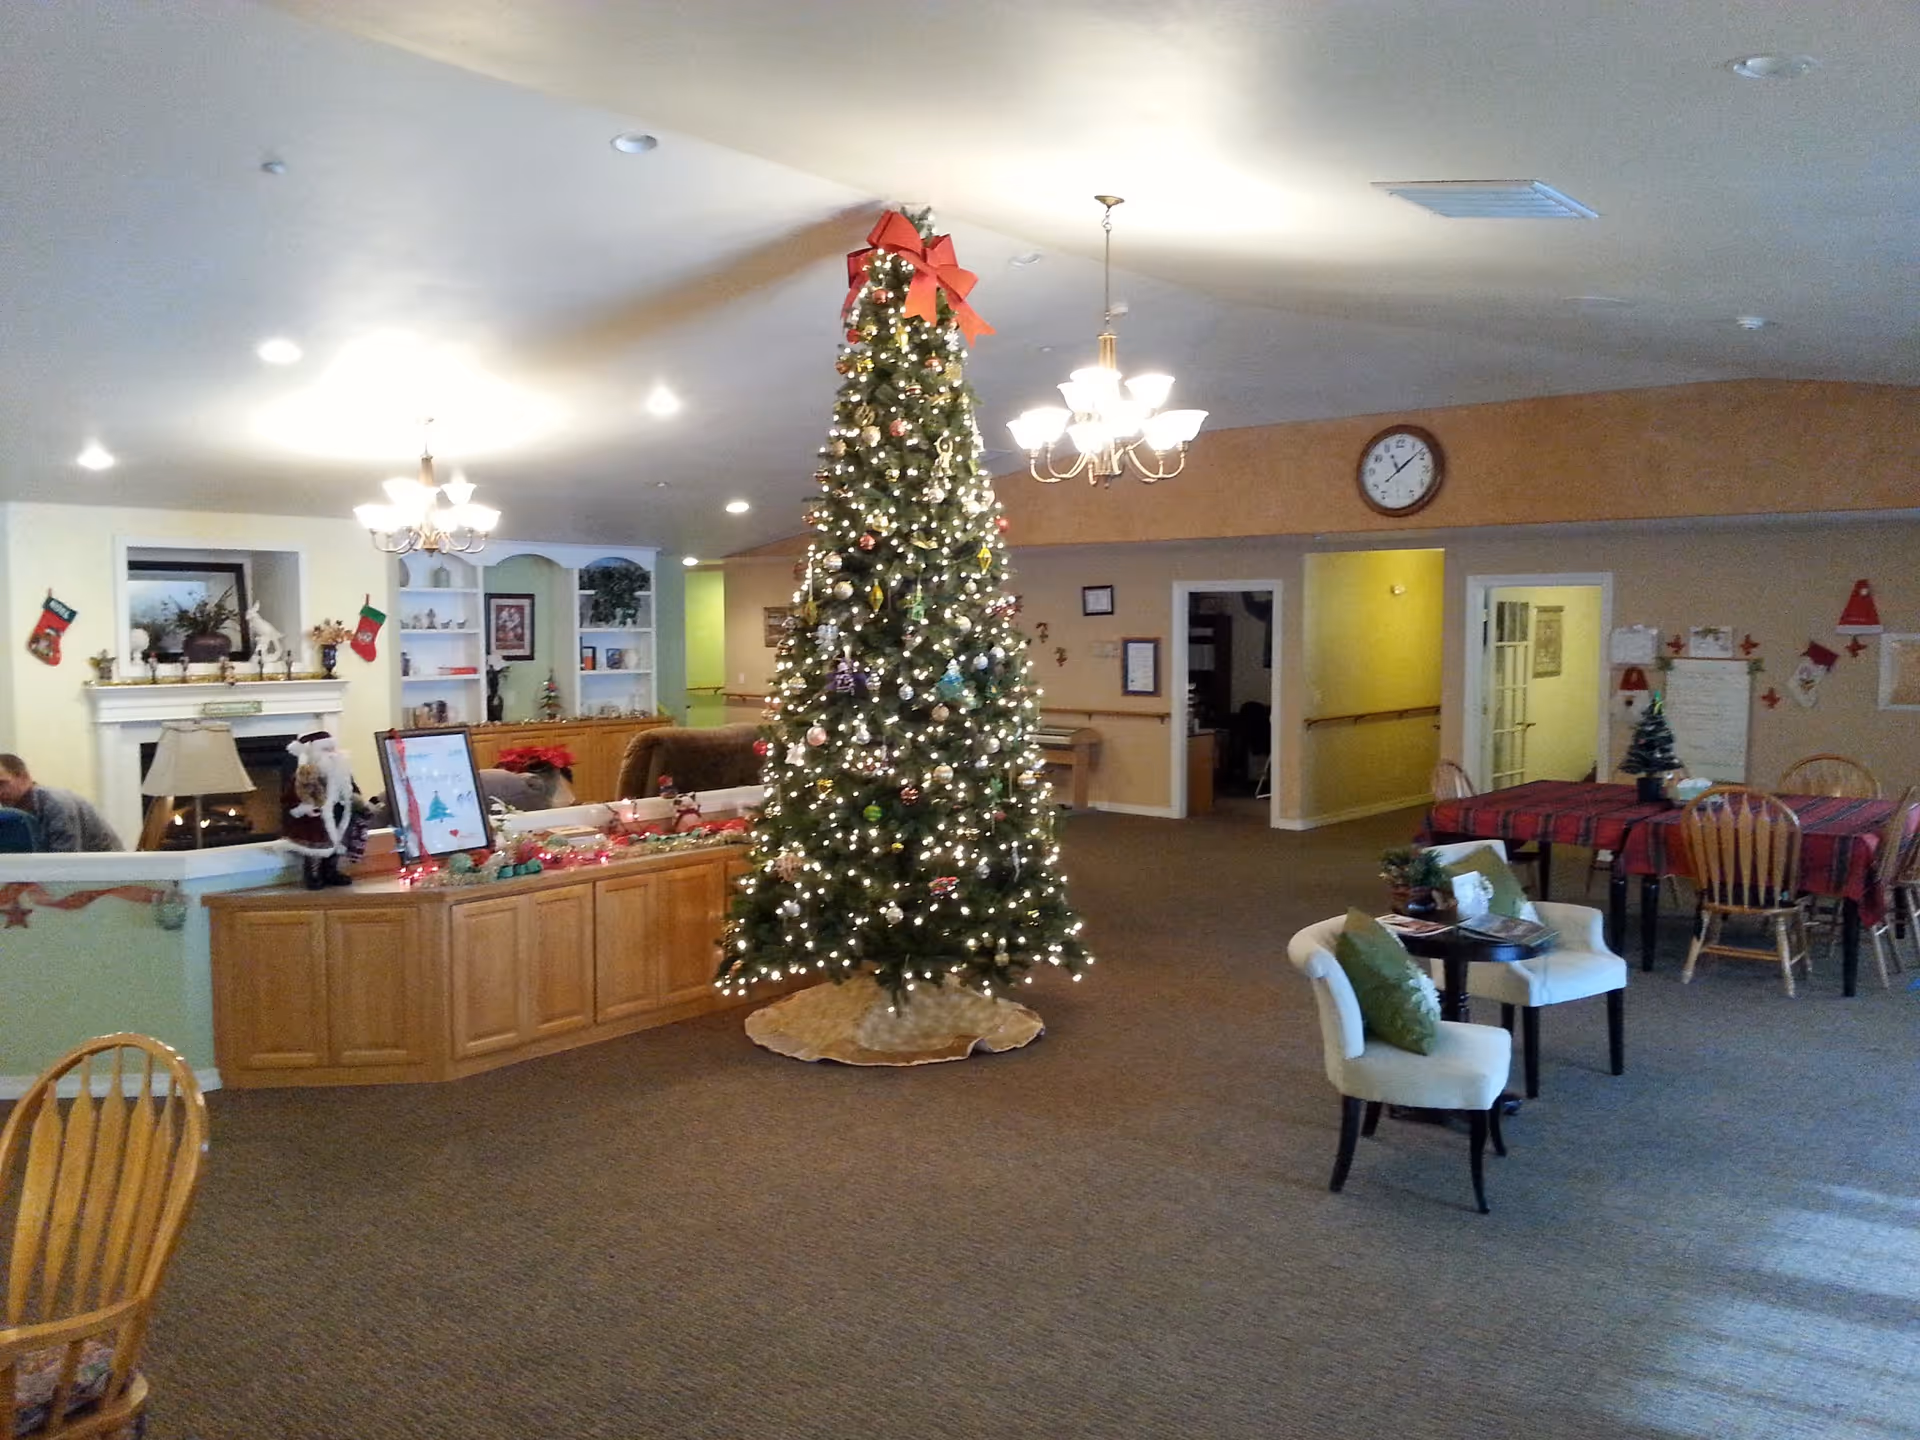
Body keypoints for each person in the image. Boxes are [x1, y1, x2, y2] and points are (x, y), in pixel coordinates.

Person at [0, 754, 124, 851]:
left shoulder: (56, 803)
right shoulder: (16, 811)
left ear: (24, 777)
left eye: (1, 783)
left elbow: (65, 861)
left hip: (106, 875)